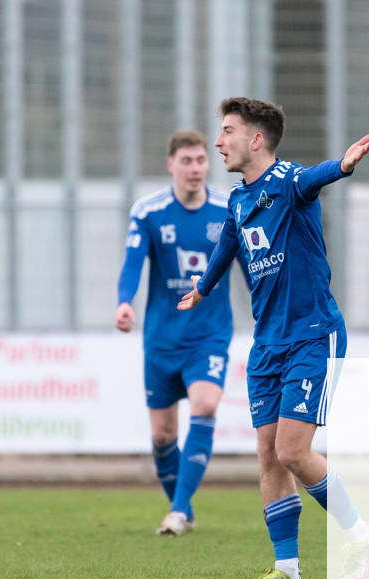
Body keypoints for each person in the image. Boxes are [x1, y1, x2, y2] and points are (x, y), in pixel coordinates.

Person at [179, 97, 369, 579]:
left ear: (255, 139)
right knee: (268, 455)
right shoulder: (240, 200)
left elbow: (315, 178)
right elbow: (227, 247)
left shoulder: (288, 181)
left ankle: (358, 532)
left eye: (227, 132)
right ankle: (286, 572)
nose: (219, 142)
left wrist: (343, 167)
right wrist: (202, 286)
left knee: (292, 450)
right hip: (268, 342)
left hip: (312, 334)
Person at [116, 130, 241, 536]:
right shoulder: (149, 211)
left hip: (209, 334)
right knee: (162, 435)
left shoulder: (229, 208)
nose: (195, 168)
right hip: (161, 337)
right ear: (171, 164)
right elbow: (133, 262)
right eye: (186, 161)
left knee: (205, 405)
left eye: (201, 160)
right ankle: (180, 507)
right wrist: (124, 301)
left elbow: (250, 265)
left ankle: (180, 510)